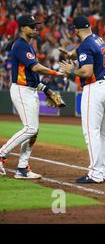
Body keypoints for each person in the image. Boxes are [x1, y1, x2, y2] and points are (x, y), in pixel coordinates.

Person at [0, 14, 65, 178]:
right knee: (31, 128)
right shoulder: (21, 45)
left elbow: (32, 76)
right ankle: (2, 154)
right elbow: (35, 68)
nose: (35, 28)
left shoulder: (28, 46)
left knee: (33, 132)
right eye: (31, 25)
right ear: (22, 28)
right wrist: (55, 73)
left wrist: (46, 89)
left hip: (30, 89)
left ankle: (22, 168)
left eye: (35, 25)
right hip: (22, 90)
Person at [59, 16, 105, 183]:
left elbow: (86, 72)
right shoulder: (97, 39)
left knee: (91, 132)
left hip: (95, 88)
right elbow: (87, 49)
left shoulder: (84, 45)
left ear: (75, 30)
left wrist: (71, 70)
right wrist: (73, 53)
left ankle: (95, 174)